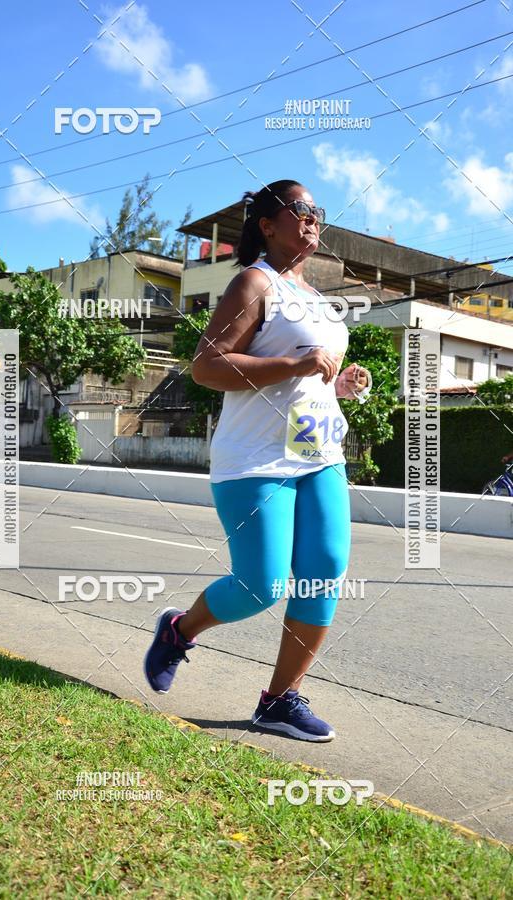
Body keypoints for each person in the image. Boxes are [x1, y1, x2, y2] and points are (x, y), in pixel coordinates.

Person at [144, 179, 371, 742]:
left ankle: (280, 700)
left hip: (318, 454)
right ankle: (179, 630)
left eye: (319, 211)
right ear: (268, 225)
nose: (314, 219)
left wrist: (340, 384)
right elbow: (207, 367)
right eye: (301, 210)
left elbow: (306, 377)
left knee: (322, 578)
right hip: (256, 461)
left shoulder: (319, 302)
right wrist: (293, 367)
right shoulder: (253, 282)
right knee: (260, 586)